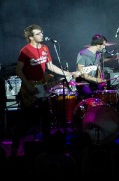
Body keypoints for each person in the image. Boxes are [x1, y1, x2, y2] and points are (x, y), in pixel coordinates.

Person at [12, 24, 78, 156]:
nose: (41, 35)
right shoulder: (25, 50)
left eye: (41, 32)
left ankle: (49, 153)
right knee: (26, 123)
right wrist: (28, 85)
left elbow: (50, 66)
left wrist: (67, 73)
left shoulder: (45, 48)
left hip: (42, 89)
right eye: (38, 33)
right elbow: (18, 70)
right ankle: (14, 150)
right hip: (29, 91)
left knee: (46, 121)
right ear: (31, 37)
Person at [75, 34, 107, 100]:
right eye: (103, 45)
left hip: (94, 83)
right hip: (84, 83)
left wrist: (100, 79)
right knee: (89, 97)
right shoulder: (83, 54)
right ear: (98, 44)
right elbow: (82, 73)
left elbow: (98, 68)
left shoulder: (98, 55)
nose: (104, 47)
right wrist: (96, 80)